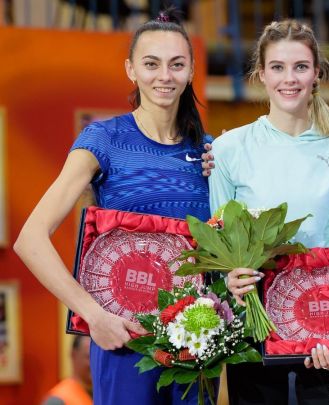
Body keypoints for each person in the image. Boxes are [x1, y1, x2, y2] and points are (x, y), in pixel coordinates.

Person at [14, 7, 211, 404]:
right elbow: (29, 239)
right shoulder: (103, 138)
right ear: (130, 70)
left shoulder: (208, 151)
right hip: (123, 339)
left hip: (196, 341)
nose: (164, 75)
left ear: (191, 71)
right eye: (151, 64)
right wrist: (93, 314)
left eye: (176, 64)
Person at [209, 19, 329, 405]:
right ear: (261, 74)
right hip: (253, 325)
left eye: (300, 67)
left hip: (324, 326)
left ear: (317, 74)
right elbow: (219, 244)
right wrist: (231, 279)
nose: (289, 79)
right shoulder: (228, 149)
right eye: (278, 67)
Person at [41, 336, 93, 405]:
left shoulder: (100, 395)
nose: (96, 364)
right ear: (73, 355)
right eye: (89, 357)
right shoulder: (58, 400)